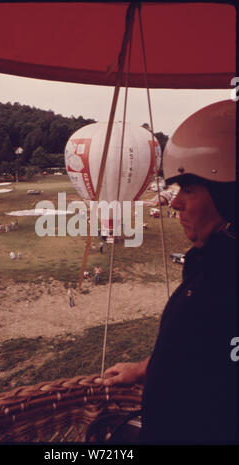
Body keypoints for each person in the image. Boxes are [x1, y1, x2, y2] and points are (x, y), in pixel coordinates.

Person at [103, 100, 237, 444]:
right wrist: (143, 369)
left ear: (229, 198)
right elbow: (190, 348)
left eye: (189, 189)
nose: (174, 203)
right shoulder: (207, 265)